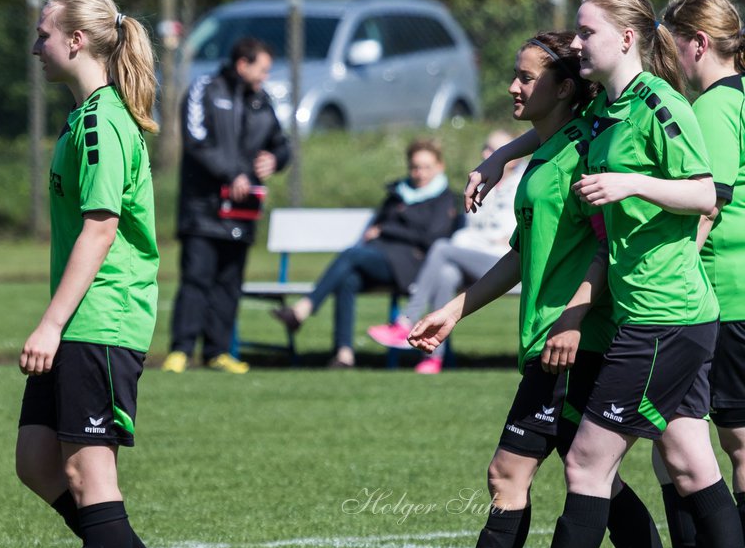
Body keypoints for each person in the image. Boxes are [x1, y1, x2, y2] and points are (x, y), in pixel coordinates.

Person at [382, 31, 697, 548]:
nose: (513, 86)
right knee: (588, 480)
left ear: (563, 87)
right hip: (551, 339)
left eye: (527, 77)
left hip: (579, 341)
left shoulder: (589, 151)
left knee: (513, 474)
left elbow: (609, 248)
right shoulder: (553, 150)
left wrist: (575, 319)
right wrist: (454, 309)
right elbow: (525, 253)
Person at [462, 0, 745, 548]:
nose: (579, 42)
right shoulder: (610, 113)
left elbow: (707, 195)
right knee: (693, 465)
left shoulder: (659, 104)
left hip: (662, 317)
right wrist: (502, 156)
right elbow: (556, 136)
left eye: (588, 32)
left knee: (588, 464)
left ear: (627, 39)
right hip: (652, 317)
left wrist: (632, 184)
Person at [17, 0, 193, 548]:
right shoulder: (85, 116)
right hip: (83, 319)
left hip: (100, 320)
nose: (35, 45)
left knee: (91, 476)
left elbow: (101, 226)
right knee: (37, 462)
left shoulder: (101, 122)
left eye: (42, 33)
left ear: (75, 40)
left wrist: (51, 323)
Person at [638, 0, 745, 548]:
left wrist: (673, 274)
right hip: (732, 292)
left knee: (705, 443)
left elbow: (711, 200)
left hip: (719, 294)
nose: (665, 52)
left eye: (668, 39)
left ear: (696, 44)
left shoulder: (712, 108)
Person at [162, 37, 292, 374]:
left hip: (243, 211)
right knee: (197, 279)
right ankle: (181, 349)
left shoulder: (261, 101)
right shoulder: (204, 89)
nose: (265, 76)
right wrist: (231, 173)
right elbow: (196, 140)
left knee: (228, 284)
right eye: (261, 69)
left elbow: (281, 144)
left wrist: (274, 160)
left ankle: (218, 351)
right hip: (203, 209)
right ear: (242, 64)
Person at [272, 138, 460, 368]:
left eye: (426, 167)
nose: (419, 173)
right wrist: (383, 229)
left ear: (440, 167)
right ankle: (344, 354)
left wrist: (388, 229)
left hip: (413, 267)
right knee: (347, 278)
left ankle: (304, 309)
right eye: (415, 167)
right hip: (382, 259)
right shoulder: (399, 192)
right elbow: (377, 226)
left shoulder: (444, 198)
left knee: (352, 255)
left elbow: (432, 239)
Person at [367, 130, 523, 373]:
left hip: (508, 264)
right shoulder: (485, 181)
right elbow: (476, 230)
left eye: (493, 150)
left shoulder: (523, 182)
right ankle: (433, 357)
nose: (485, 154)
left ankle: (406, 322)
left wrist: (475, 240)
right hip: (477, 257)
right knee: (446, 273)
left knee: (441, 248)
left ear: (513, 155)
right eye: (485, 147)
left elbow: (508, 236)